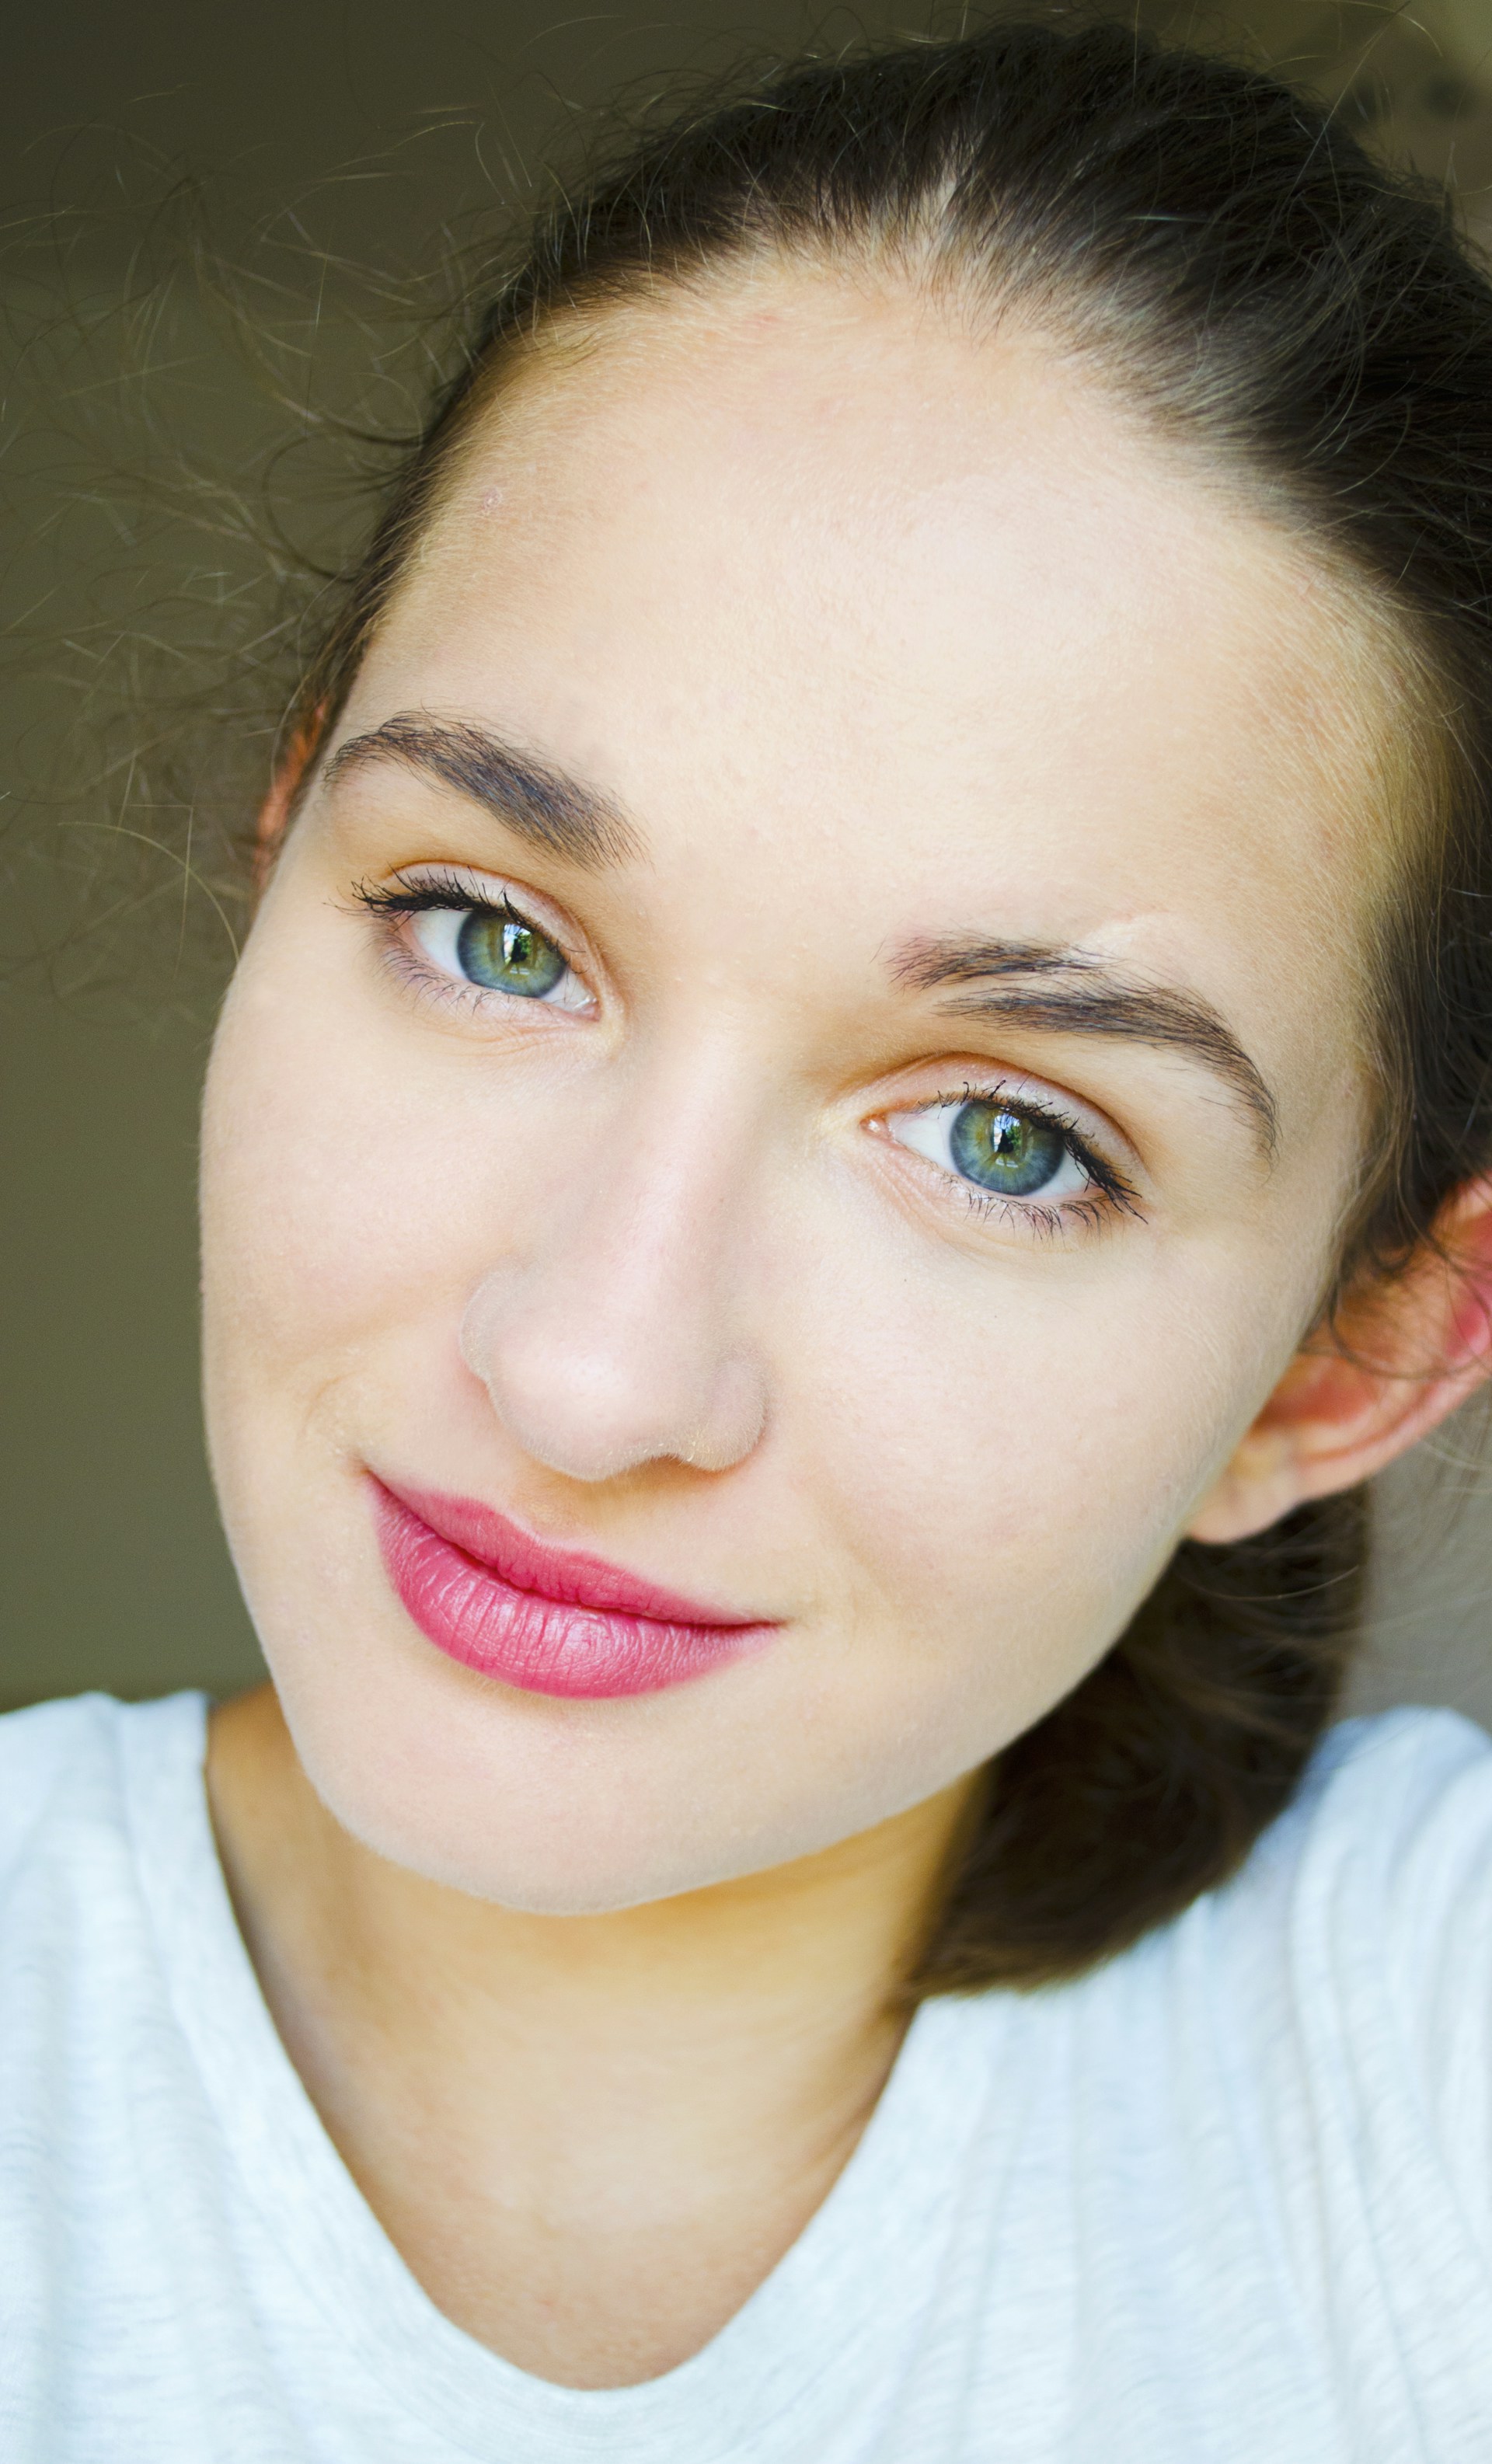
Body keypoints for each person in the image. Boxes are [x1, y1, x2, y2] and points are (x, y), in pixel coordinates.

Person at [5, 12, 1492, 2456]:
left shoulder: (1415, 2076)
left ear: (1348, 1355)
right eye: (492, 935)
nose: (593, 1375)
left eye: (1008, 1140)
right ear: (287, 861)